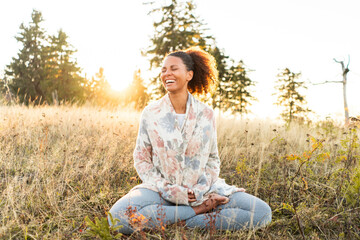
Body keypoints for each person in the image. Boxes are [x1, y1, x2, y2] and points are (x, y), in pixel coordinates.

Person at [108, 47, 272, 234]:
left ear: (189, 75)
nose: (166, 73)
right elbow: (142, 159)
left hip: (201, 192)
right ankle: (197, 212)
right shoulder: (151, 113)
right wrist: (170, 190)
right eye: (163, 70)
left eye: (173, 68)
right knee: (118, 218)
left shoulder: (206, 114)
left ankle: (177, 220)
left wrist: (200, 189)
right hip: (161, 191)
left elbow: (212, 159)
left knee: (261, 213)